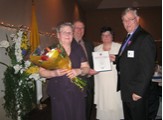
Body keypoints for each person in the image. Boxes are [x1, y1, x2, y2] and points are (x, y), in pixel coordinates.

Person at [110, 8, 156, 120]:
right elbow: (131, 59)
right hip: (127, 90)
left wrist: (138, 91)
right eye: (124, 20)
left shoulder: (144, 38)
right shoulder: (128, 37)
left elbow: (148, 67)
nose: (127, 23)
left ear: (138, 19)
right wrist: (116, 58)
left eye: (130, 19)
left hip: (136, 92)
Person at [39, 22, 90, 120]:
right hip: (59, 94)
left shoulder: (78, 49)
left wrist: (79, 71)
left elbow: (86, 68)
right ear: (58, 35)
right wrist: (54, 73)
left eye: (70, 32)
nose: (68, 35)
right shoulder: (50, 50)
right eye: (64, 32)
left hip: (77, 93)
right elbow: (41, 72)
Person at [93, 26, 124, 120]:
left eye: (108, 35)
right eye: (103, 35)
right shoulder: (96, 49)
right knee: (104, 104)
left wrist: (116, 60)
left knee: (115, 104)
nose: (106, 37)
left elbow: (126, 64)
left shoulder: (119, 48)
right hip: (101, 82)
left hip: (115, 81)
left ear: (112, 36)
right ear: (101, 37)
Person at [73, 20, 94, 120]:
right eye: (77, 28)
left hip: (89, 81)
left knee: (87, 108)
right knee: (76, 111)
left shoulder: (89, 44)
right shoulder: (68, 44)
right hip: (75, 82)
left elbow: (93, 60)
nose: (80, 30)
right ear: (73, 29)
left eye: (82, 28)